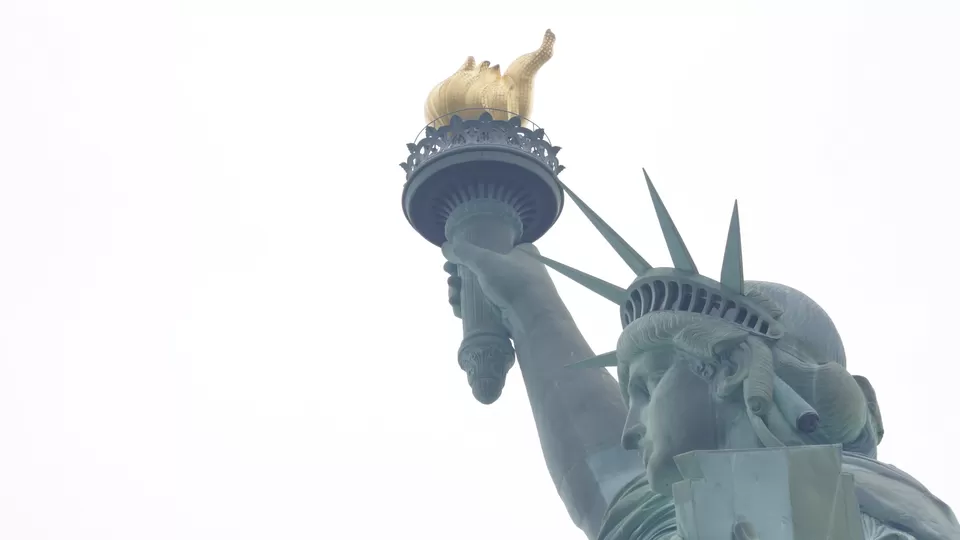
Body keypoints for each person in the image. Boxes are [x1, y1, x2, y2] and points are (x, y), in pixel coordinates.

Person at [440, 173, 960, 540]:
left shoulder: (877, 524)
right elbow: (613, 488)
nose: (629, 429)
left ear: (730, 370)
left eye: (645, 389)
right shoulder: (687, 519)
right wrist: (528, 304)